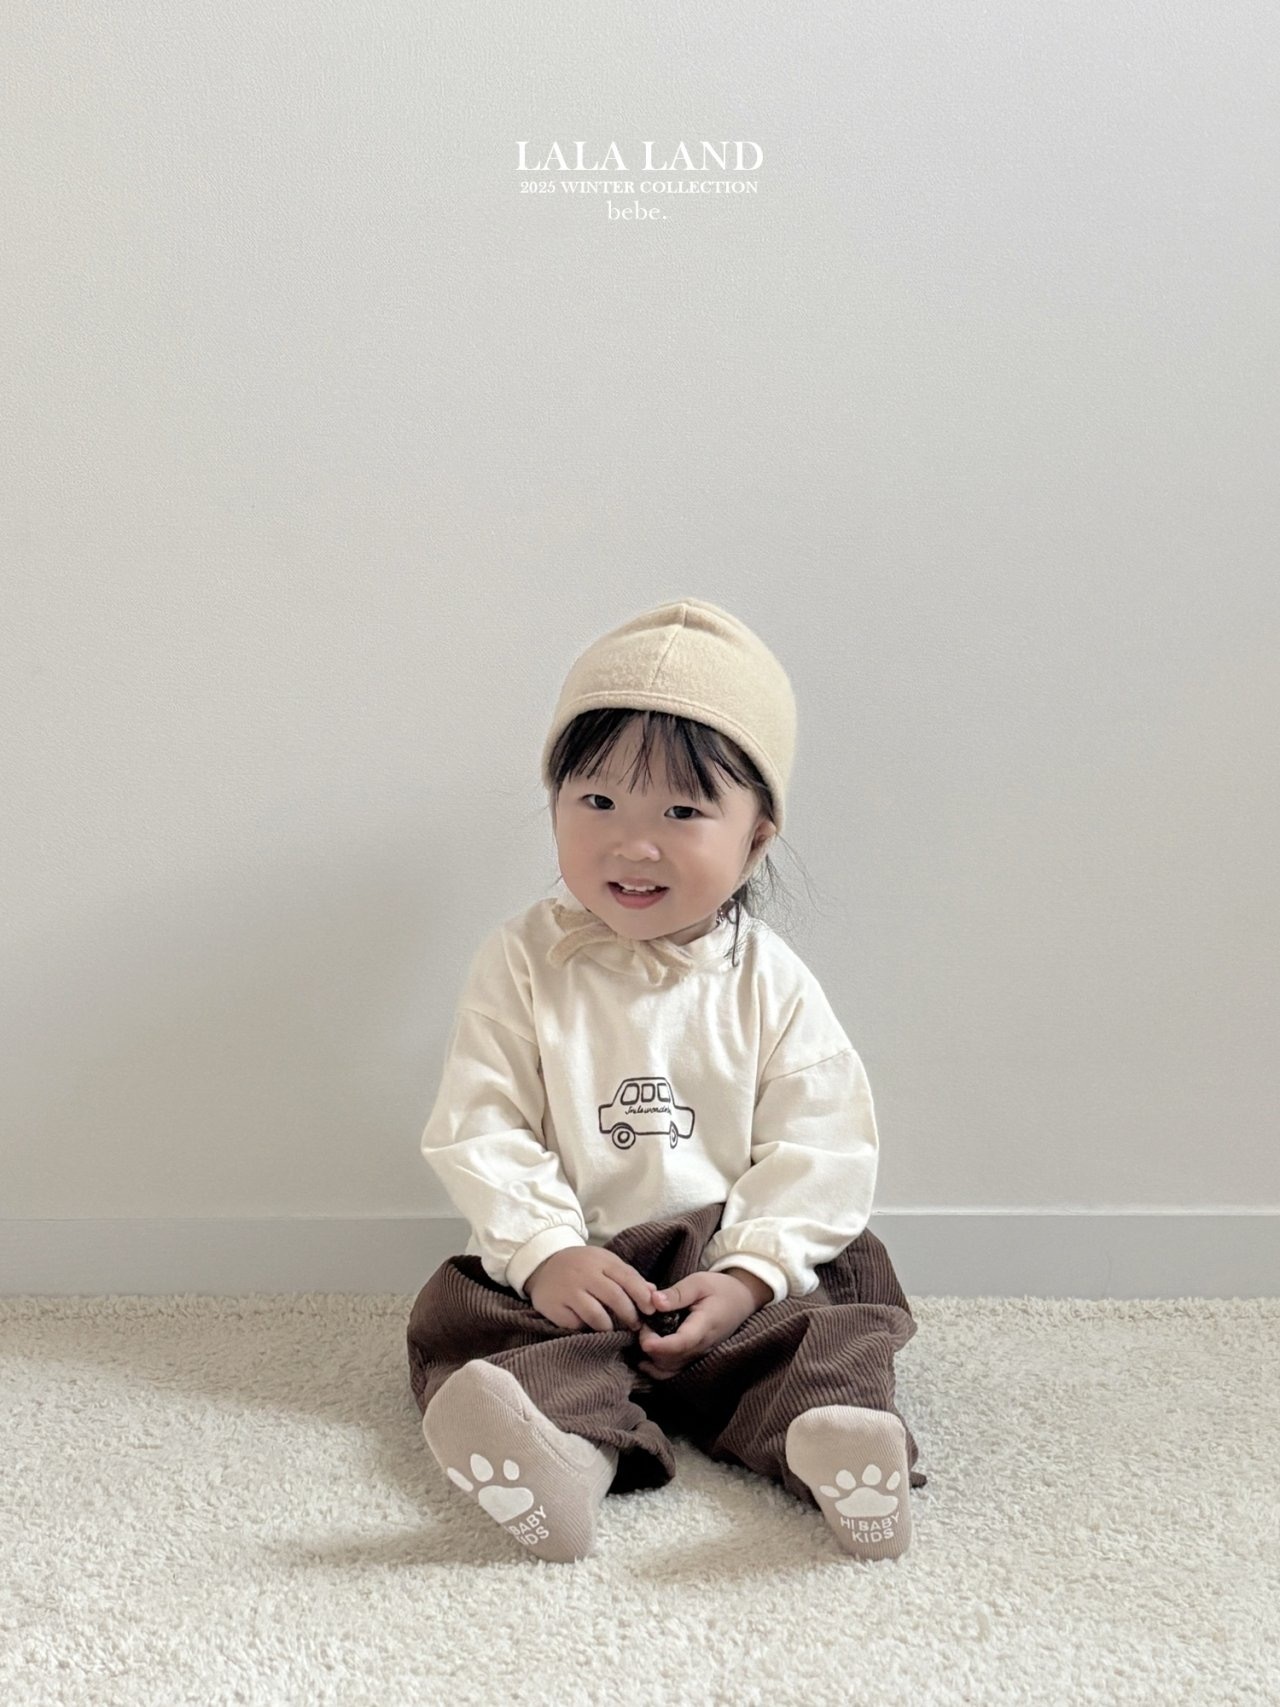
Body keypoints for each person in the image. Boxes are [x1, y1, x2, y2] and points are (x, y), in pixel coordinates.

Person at [407, 597, 927, 1565]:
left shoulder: (768, 980)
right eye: (596, 802)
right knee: (471, 1319)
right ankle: (562, 1459)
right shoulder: (523, 960)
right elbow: (482, 1120)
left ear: (756, 837)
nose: (632, 844)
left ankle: (833, 1443)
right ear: (555, 803)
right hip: (579, 1264)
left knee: (836, 1309)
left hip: (725, 1259)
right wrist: (546, 1252)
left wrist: (748, 1273)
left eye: (681, 813)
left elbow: (821, 1143)